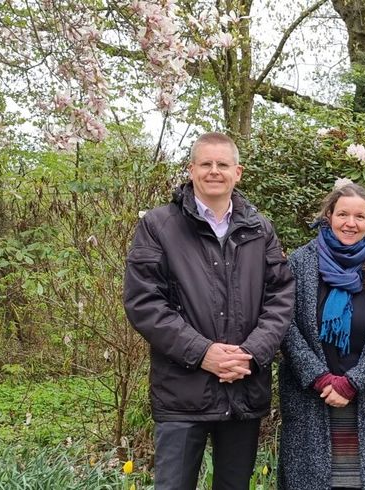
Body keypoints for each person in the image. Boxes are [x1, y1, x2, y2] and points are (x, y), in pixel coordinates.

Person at [123, 132, 296, 490]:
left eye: (222, 164)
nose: (214, 171)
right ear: (191, 170)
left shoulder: (259, 229)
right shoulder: (158, 226)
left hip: (243, 391)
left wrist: (250, 354)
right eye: (205, 163)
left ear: (238, 172)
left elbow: (280, 296)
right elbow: (145, 302)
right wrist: (203, 353)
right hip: (182, 393)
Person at [277, 182, 365, 489]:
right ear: (329, 216)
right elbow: (286, 325)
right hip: (312, 397)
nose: (351, 223)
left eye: (360, 216)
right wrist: (321, 378)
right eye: (343, 214)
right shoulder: (301, 262)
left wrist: (352, 382)